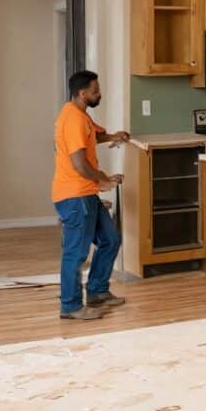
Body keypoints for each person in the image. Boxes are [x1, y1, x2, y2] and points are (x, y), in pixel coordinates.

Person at [52, 70, 130, 320]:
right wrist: (103, 180)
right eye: (95, 91)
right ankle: (71, 306)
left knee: (110, 239)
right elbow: (78, 163)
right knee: (75, 253)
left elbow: (93, 136)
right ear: (81, 93)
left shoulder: (80, 116)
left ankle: (97, 291)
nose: (100, 94)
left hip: (85, 193)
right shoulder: (73, 119)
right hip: (75, 196)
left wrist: (112, 137)